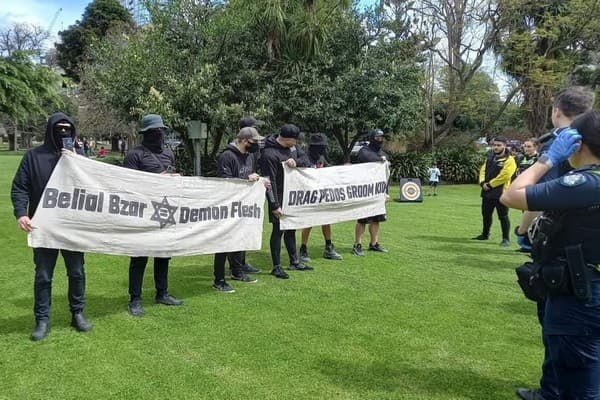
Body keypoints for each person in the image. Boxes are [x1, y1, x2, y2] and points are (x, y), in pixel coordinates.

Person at [501, 110, 600, 400]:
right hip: (585, 288)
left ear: (577, 143)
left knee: (579, 388)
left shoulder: (587, 185)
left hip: (580, 296)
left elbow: (513, 195)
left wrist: (548, 158)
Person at [11, 112, 92, 341]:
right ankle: (42, 319)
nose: (63, 132)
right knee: (44, 275)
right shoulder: (33, 157)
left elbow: (93, 186)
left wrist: (77, 159)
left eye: (67, 128)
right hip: (44, 226)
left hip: (72, 226)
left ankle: (77, 314)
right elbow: (20, 187)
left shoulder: (78, 157)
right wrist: (21, 214)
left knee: (76, 272)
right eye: (59, 128)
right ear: (50, 130)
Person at [123, 114, 183, 316]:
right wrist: (157, 179)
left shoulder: (168, 153)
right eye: (155, 132)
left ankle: (162, 293)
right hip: (142, 212)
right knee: (139, 257)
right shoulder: (135, 155)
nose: (159, 134)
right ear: (146, 134)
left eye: (161, 131)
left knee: (163, 254)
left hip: (164, 211)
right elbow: (128, 186)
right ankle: (135, 299)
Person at [212, 127, 264, 292]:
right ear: (243, 140)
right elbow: (224, 180)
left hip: (242, 205)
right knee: (223, 243)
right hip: (227, 206)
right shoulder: (227, 156)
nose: (256, 145)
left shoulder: (249, 156)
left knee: (239, 238)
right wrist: (246, 179)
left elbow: (250, 175)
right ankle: (219, 279)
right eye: (253, 142)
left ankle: (237, 271)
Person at [260, 124, 312, 279]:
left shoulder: (293, 149)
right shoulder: (269, 154)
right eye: (294, 140)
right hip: (278, 196)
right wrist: (274, 205)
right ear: (287, 139)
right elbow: (270, 181)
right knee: (278, 231)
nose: (296, 143)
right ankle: (276, 266)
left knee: (291, 229)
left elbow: (306, 160)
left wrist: (296, 162)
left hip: (292, 196)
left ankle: (294, 261)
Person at [299, 133, 343, 262]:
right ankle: (303, 248)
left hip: (322, 195)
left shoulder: (321, 158)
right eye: (320, 147)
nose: (322, 149)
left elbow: (328, 169)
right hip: (309, 196)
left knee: (326, 220)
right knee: (309, 222)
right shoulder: (305, 158)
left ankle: (328, 247)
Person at [472, 136, 516, 247]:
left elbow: (505, 176)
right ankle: (485, 234)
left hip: (501, 193)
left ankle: (506, 239)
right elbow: (483, 170)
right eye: (494, 145)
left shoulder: (509, 160)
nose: (495, 147)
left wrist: (490, 185)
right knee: (486, 214)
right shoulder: (490, 157)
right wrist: (482, 183)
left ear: (504, 146)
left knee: (503, 216)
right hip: (487, 192)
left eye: (498, 145)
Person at [352, 129, 389, 256]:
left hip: (378, 191)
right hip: (365, 191)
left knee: (376, 219)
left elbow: (385, 176)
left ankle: (374, 243)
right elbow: (368, 157)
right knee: (362, 219)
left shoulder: (383, 154)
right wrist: (381, 159)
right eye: (377, 138)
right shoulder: (364, 151)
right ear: (372, 138)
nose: (380, 140)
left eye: (381, 138)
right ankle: (357, 244)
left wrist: (386, 192)